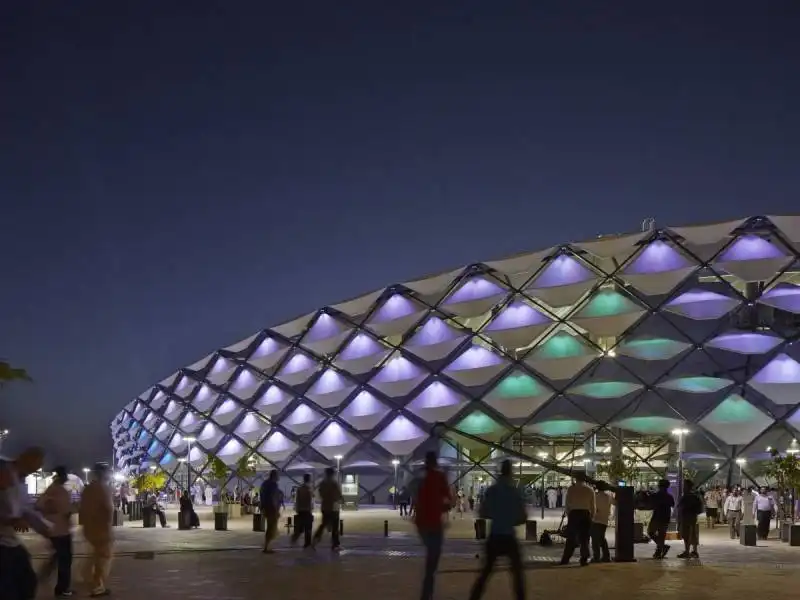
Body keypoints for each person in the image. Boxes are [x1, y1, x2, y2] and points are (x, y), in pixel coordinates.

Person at [467, 460, 526, 600]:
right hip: (509, 537)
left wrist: (497, 514)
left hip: (494, 535)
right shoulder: (514, 492)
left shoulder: (491, 491)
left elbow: (482, 513)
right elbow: (523, 517)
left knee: (486, 571)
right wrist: (510, 518)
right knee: (517, 573)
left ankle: (474, 597)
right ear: (511, 472)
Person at [0, 447, 51, 600]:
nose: (36, 468)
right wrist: (12, 520)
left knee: (27, 583)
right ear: (25, 458)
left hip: (9, 541)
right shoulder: (3, 468)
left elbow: (25, 510)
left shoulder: (21, 483)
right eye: (35, 464)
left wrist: (44, 527)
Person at [414, 452, 452, 600]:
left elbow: (415, 496)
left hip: (421, 523)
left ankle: (427, 591)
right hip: (434, 524)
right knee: (433, 559)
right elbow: (447, 499)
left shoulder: (420, 477)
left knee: (431, 555)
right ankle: (426, 593)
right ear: (435, 462)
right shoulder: (439, 476)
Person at [36, 466, 75, 597]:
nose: (66, 478)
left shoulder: (52, 489)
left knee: (60, 557)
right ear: (60, 476)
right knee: (65, 559)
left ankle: (49, 578)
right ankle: (61, 588)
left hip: (58, 529)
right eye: (64, 475)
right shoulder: (57, 490)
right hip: (60, 530)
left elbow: (41, 505)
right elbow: (42, 505)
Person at [79, 463, 114, 597]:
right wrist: (108, 527)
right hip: (101, 528)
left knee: (98, 555)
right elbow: (107, 509)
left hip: (89, 528)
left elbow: (82, 508)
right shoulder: (103, 488)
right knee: (104, 557)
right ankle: (95, 584)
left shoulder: (88, 489)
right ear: (104, 474)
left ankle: (95, 582)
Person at [560, 473, 595, 566]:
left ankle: (565, 559)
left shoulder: (571, 489)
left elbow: (567, 503)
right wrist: (591, 516)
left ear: (576, 479)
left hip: (574, 514)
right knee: (585, 538)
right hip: (585, 514)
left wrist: (569, 514)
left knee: (571, 537)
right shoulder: (590, 490)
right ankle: (584, 559)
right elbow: (593, 506)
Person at [312, 467, 342, 551]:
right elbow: (338, 495)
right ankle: (335, 544)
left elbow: (321, 494)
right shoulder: (334, 483)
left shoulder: (322, 483)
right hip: (333, 507)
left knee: (323, 524)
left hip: (325, 507)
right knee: (335, 527)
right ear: (332, 474)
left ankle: (315, 539)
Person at [648, 479, 674, 559]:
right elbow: (672, 504)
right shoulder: (669, 496)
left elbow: (651, 504)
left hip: (657, 517)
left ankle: (661, 548)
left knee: (651, 532)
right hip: (666, 517)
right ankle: (659, 551)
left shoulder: (656, 495)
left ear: (659, 486)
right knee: (661, 535)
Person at [676, 480, 703, 559]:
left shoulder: (686, 497)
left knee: (686, 535)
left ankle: (687, 552)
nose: (683, 487)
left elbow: (680, 507)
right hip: (692, 518)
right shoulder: (694, 496)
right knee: (693, 534)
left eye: (684, 485)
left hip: (686, 518)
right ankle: (694, 551)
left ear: (687, 487)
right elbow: (699, 509)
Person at [591, 482, 614, 563]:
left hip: (596, 520)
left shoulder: (595, 497)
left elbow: (594, 509)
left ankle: (596, 557)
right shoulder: (608, 496)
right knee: (602, 539)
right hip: (604, 520)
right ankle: (606, 556)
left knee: (595, 540)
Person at [259, 470, 281, 553]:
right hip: (271, 508)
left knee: (270, 526)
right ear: (274, 476)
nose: (279, 477)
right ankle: (266, 547)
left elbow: (261, 495)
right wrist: (276, 510)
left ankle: (267, 546)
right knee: (271, 527)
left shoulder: (264, 484)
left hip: (265, 508)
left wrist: (262, 507)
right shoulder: (273, 485)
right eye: (277, 475)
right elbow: (273, 498)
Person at [291, 473, 314, 548]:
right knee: (308, 528)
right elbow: (310, 500)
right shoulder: (309, 489)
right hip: (307, 510)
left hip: (301, 510)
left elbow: (297, 500)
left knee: (300, 527)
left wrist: (297, 508)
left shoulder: (300, 488)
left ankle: (295, 538)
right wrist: (311, 508)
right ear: (309, 479)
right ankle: (307, 543)